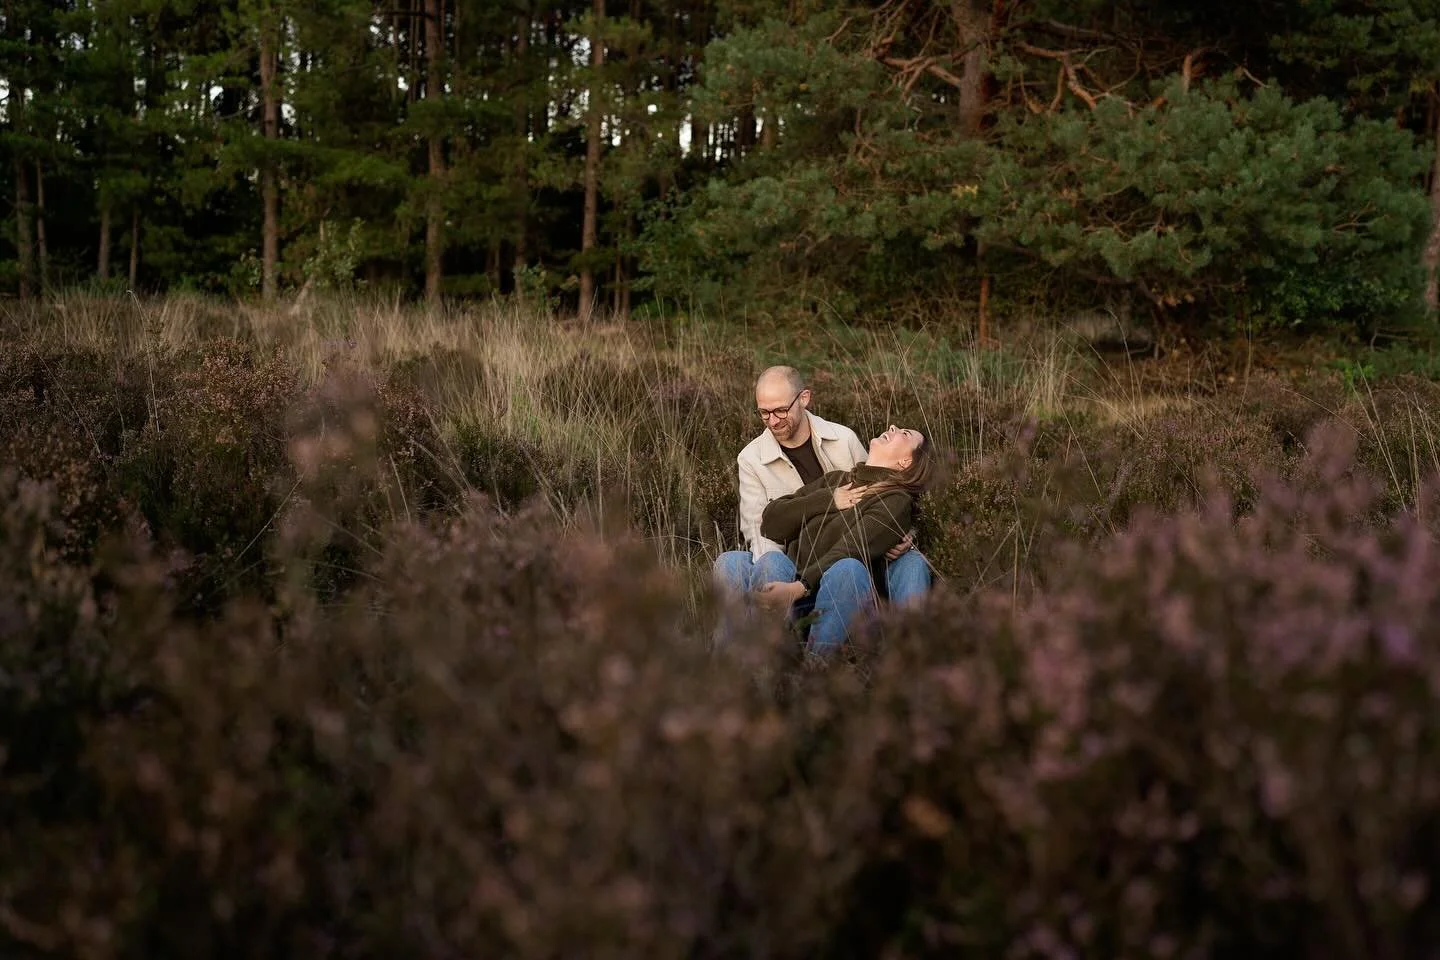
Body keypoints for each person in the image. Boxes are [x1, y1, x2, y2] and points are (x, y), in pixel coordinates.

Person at [711, 366, 931, 644]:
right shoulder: (761, 461)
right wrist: (829, 500)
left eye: (780, 411)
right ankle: (733, 662)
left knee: (890, 564)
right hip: (786, 562)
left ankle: (909, 650)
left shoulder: (845, 441)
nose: (773, 421)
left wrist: (905, 533)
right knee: (731, 562)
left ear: (804, 399)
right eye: (764, 413)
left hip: (841, 573)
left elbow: (869, 529)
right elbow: (763, 529)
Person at [754, 424, 936, 658]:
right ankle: (761, 664)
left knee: (847, 568)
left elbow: (852, 546)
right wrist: (828, 500)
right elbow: (770, 524)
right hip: (790, 594)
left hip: (836, 603)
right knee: (754, 560)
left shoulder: (895, 501)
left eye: (905, 433)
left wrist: (800, 587)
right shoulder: (835, 480)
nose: (893, 426)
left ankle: (815, 668)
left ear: (905, 463)